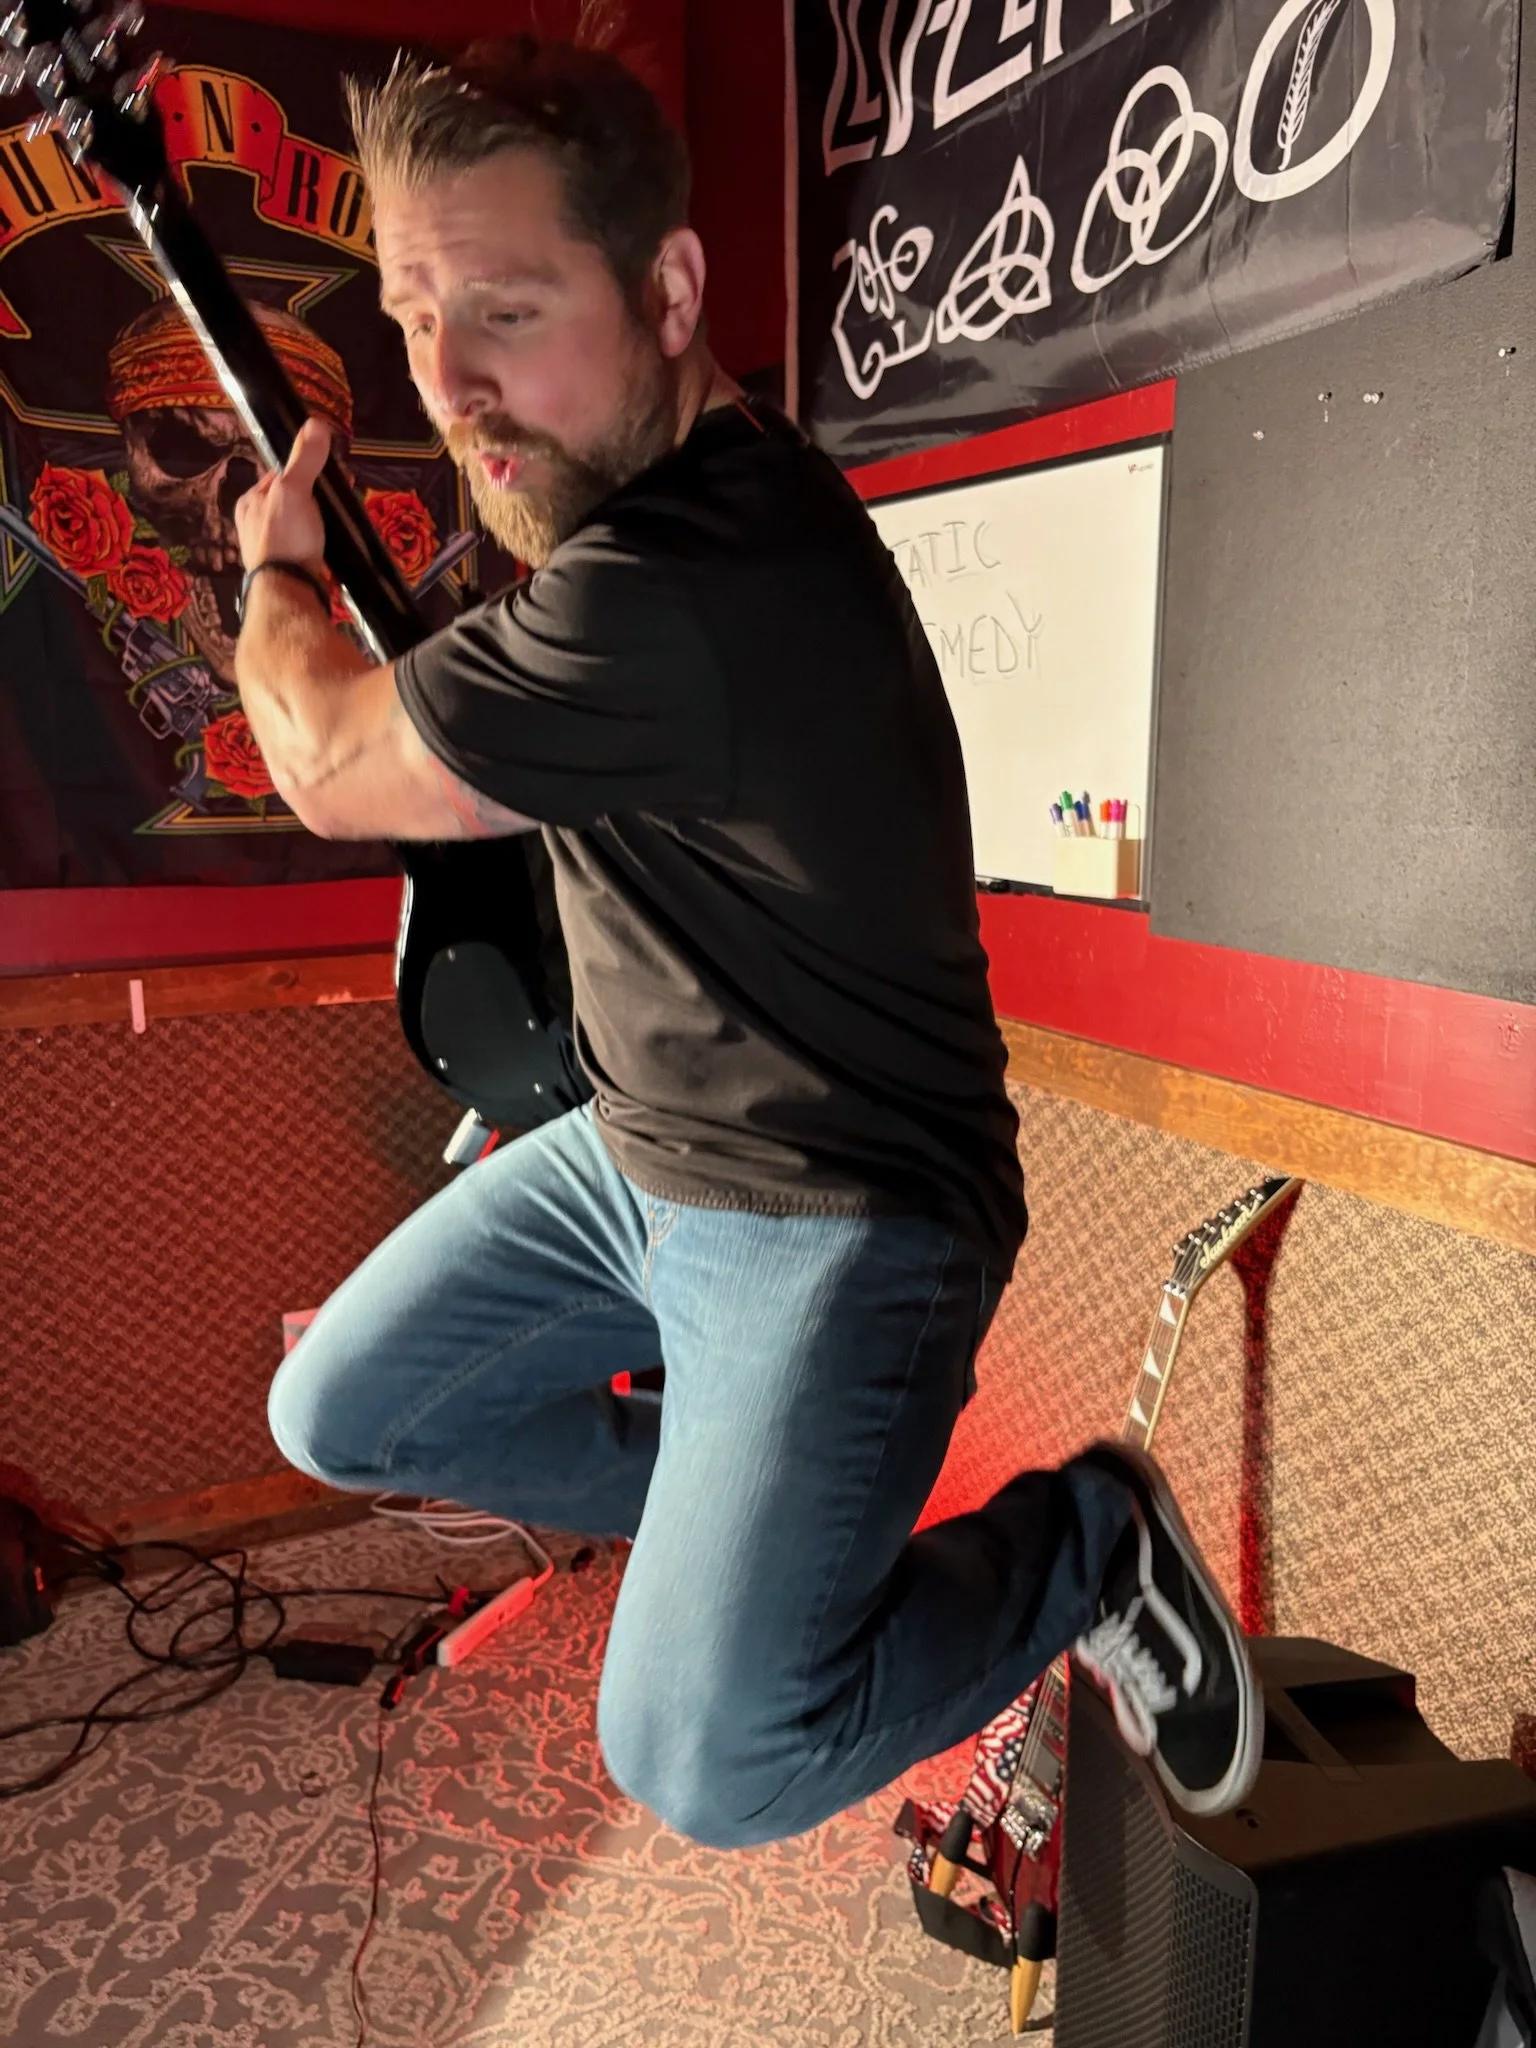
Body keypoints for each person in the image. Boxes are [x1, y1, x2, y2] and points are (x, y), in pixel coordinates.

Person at [238, 36, 1261, 1848]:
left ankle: (1086, 1546)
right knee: (341, 1408)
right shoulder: (629, 499)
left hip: (844, 1209)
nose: (452, 383)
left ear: (674, 285)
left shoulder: (683, 591)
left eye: (509, 308)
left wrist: (276, 571)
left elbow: (328, 756)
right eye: (411, 313)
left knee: (707, 1756)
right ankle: (762, 1525)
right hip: (644, 1155)